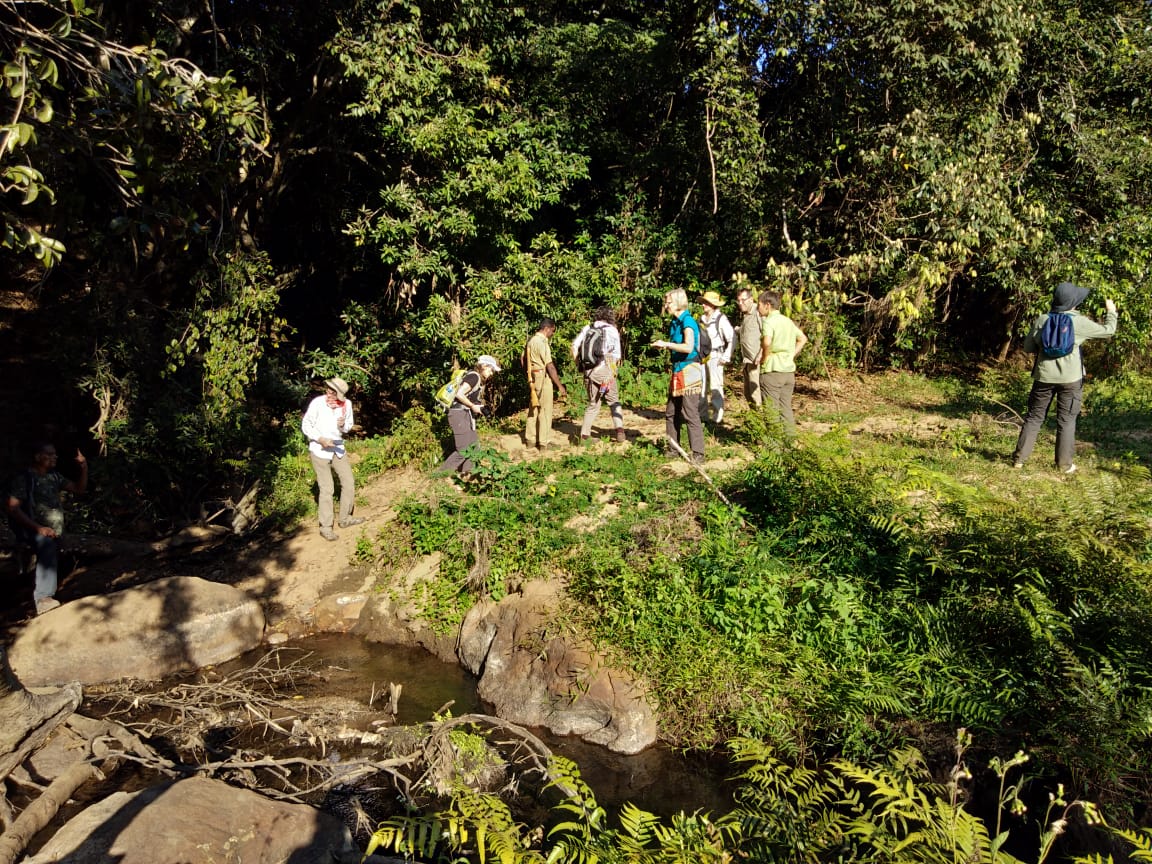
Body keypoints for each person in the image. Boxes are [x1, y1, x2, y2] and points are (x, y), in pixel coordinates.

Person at [1012, 282, 1118, 473]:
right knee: (1067, 421)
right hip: (1071, 380)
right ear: (1073, 302)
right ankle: (1063, 465)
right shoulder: (1079, 322)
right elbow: (1108, 331)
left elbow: (1028, 348)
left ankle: (1019, 460)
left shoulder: (1042, 319)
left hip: (1043, 377)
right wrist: (1111, 311)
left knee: (1034, 417)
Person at [7, 442, 88, 615]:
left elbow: (79, 489)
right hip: (31, 531)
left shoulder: (54, 476)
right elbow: (13, 507)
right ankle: (43, 599)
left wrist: (83, 467)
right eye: (50, 454)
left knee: (61, 549)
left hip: (53, 532)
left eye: (55, 454)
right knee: (47, 546)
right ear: (38, 457)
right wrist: (38, 528)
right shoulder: (25, 478)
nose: (55, 457)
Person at [301, 377, 364, 541]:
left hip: (337, 449)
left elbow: (348, 426)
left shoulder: (347, 405)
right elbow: (306, 425)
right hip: (320, 450)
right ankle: (326, 527)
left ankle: (345, 518)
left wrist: (343, 424)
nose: (328, 392)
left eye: (332, 391)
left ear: (339, 394)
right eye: (328, 388)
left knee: (348, 482)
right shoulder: (317, 403)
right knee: (327, 488)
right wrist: (319, 438)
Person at [651, 288, 706, 464]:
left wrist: (666, 345)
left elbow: (688, 347)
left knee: (689, 412)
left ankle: (698, 453)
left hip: (689, 369)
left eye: (668, 302)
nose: (665, 305)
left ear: (677, 303)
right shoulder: (675, 322)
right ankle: (673, 447)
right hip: (677, 369)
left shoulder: (687, 321)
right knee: (671, 411)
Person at [437, 355, 502, 475]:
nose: (492, 373)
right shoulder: (474, 377)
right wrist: (473, 406)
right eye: (491, 370)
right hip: (459, 415)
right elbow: (459, 394)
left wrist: (477, 406)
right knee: (464, 450)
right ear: (484, 366)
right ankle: (439, 476)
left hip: (464, 415)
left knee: (474, 447)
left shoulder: (475, 377)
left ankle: (467, 475)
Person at [758, 290, 808, 439]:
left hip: (773, 371)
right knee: (785, 408)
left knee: (771, 410)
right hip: (788, 372)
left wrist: (764, 358)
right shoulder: (787, 321)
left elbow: (767, 342)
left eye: (759, 304)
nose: (757, 308)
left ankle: (774, 445)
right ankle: (790, 441)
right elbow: (803, 339)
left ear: (767, 305)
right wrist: (790, 354)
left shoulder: (769, 322)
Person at [572, 307, 626, 443]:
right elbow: (616, 356)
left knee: (593, 403)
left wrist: (580, 366)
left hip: (588, 371)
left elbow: (573, 346)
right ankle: (620, 432)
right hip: (605, 369)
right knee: (613, 400)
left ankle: (584, 436)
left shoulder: (587, 328)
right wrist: (612, 374)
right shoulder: (612, 330)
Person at [524, 318, 568, 451]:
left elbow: (523, 359)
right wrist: (559, 385)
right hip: (543, 377)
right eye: (552, 331)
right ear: (547, 328)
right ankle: (544, 442)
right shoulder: (542, 343)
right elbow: (550, 366)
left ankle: (530, 439)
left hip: (532, 377)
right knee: (545, 410)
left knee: (534, 407)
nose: (552, 334)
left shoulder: (531, 341)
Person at [697, 290, 735, 425]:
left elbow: (731, 338)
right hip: (702, 355)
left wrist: (726, 356)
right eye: (703, 303)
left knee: (716, 385)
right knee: (701, 386)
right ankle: (702, 416)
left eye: (706, 303)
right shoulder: (701, 319)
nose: (703, 305)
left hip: (716, 355)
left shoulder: (721, 319)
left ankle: (717, 417)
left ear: (713, 305)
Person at [736, 286, 763, 408]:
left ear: (751, 299)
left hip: (756, 362)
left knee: (756, 394)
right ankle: (753, 422)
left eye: (743, 300)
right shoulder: (746, 315)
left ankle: (761, 423)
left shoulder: (758, 312)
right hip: (747, 361)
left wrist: (761, 354)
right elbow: (750, 332)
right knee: (748, 394)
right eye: (738, 300)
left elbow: (767, 334)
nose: (740, 303)